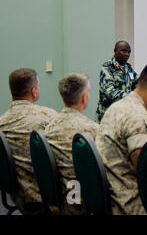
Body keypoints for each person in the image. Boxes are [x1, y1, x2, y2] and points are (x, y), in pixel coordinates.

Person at [95, 60, 147, 215]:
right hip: (128, 203)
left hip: (109, 195)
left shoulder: (118, 107)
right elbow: (146, 171)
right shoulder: (137, 116)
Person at [0, 68, 57, 205]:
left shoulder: (2, 122)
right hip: (49, 195)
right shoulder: (48, 116)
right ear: (34, 91)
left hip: (17, 196)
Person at [45, 73, 98, 215]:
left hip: (58, 199)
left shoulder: (49, 126)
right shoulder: (92, 129)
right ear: (84, 98)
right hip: (83, 202)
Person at [96, 40, 139, 122]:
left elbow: (138, 85)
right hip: (108, 115)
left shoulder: (128, 68)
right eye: (124, 51)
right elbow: (110, 91)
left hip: (124, 116)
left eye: (129, 52)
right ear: (115, 51)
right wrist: (130, 98)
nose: (127, 54)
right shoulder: (107, 67)